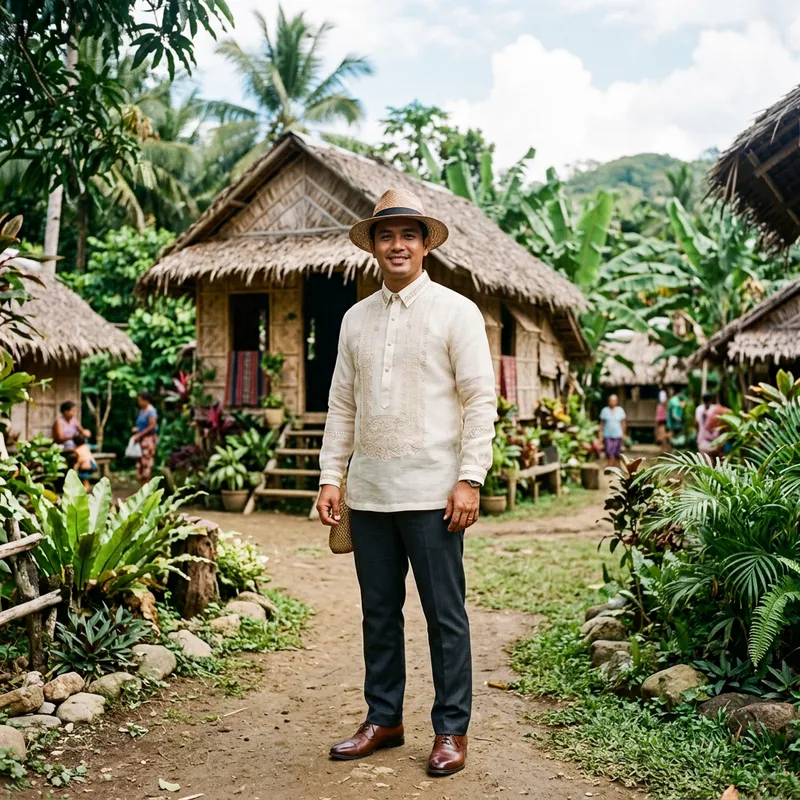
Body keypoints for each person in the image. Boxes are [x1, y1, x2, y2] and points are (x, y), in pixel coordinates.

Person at [316, 188, 496, 778]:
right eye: (386, 235)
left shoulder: (456, 311)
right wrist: (332, 476)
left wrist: (470, 478)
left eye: (408, 235)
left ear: (424, 245)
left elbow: (479, 399)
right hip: (369, 492)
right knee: (378, 613)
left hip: (435, 494)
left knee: (445, 616)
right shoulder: (355, 318)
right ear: (373, 246)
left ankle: (451, 729)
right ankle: (384, 719)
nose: (398, 245)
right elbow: (342, 404)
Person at [132, 392, 158, 483]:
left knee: (146, 462)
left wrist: (140, 434)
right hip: (141, 440)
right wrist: (137, 430)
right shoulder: (141, 411)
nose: (139, 402)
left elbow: (152, 425)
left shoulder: (151, 411)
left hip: (148, 439)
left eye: (140, 400)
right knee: (140, 464)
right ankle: (142, 484)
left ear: (146, 400)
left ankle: (148, 484)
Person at [598, 394, 627, 467]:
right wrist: (600, 435)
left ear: (617, 401)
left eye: (614, 401)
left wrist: (623, 434)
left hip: (618, 435)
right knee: (609, 452)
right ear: (608, 401)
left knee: (617, 453)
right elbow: (601, 424)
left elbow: (623, 423)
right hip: (607, 435)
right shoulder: (604, 410)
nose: (612, 402)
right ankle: (610, 466)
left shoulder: (620, 410)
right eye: (611, 401)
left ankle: (616, 467)